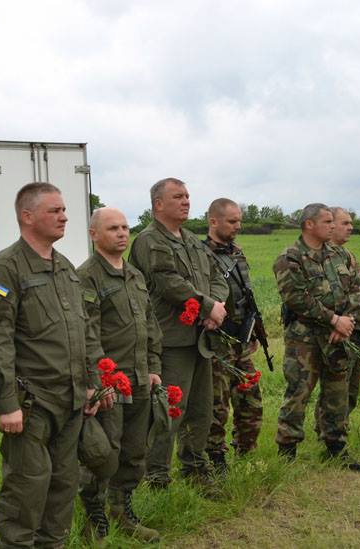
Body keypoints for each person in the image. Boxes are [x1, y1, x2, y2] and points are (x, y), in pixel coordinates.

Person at [0, 182, 97, 548]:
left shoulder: (65, 268)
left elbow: (85, 328)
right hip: (33, 404)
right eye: (54, 211)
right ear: (27, 216)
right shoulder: (5, 269)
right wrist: (7, 402)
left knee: (63, 486)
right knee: (26, 489)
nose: (64, 217)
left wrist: (91, 382)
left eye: (64, 210)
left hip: (72, 399)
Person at [128, 178, 228, 490]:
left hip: (199, 338)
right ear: (158, 204)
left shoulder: (190, 239)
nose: (186, 201)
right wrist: (208, 306)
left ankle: (195, 470)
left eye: (187, 195)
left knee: (200, 410)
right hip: (170, 340)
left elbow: (215, 275)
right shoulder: (150, 240)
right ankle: (157, 476)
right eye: (177, 196)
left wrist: (215, 308)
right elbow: (167, 282)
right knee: (168, 410)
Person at [76, 207, 162, 542]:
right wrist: (99, 382)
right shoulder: (87, 277)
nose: (122, 233)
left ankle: (122, 511)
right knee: (103, 453)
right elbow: (87, 335)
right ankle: (94, 519)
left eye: (126, 227)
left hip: (140, 379)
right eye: (113, 228)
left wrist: (154, 368)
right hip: (110, 384)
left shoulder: (135, 276)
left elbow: (150, 325)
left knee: (134, 450)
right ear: (94, 234)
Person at [274, 203, 360, 471]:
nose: (332, 225)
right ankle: (287, 452)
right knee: (298, 392)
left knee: (337, 392)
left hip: (339, 336)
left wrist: (346, 322)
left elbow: (354, 288)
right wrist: (333, 320)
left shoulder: (339, 255)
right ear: (309, 225)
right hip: (303, 340)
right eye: (327, 221)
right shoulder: (290, 257)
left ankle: (336, 449)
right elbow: (296, 298)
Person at [203, 199, 263, 474]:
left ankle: (246, 451)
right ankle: (215, 458)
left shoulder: (236, 253)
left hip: (241, 339)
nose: (238, 226)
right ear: (213, 221)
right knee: (217, 404)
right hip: (217, 341)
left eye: (239, 221)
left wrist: (255, 333)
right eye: (232, 221)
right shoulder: (202, 254)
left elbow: (245, 295)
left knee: (251, 398)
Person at [314, 207, 360, 435]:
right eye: (345, 223)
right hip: (337, 331)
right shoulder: (321, 257)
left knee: (351, 390)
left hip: (356, 330)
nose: (350, 227)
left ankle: (338, 432)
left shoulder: (348, 256)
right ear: (331, 226)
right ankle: (328, 434)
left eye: (351, 223)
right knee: (335, 389)